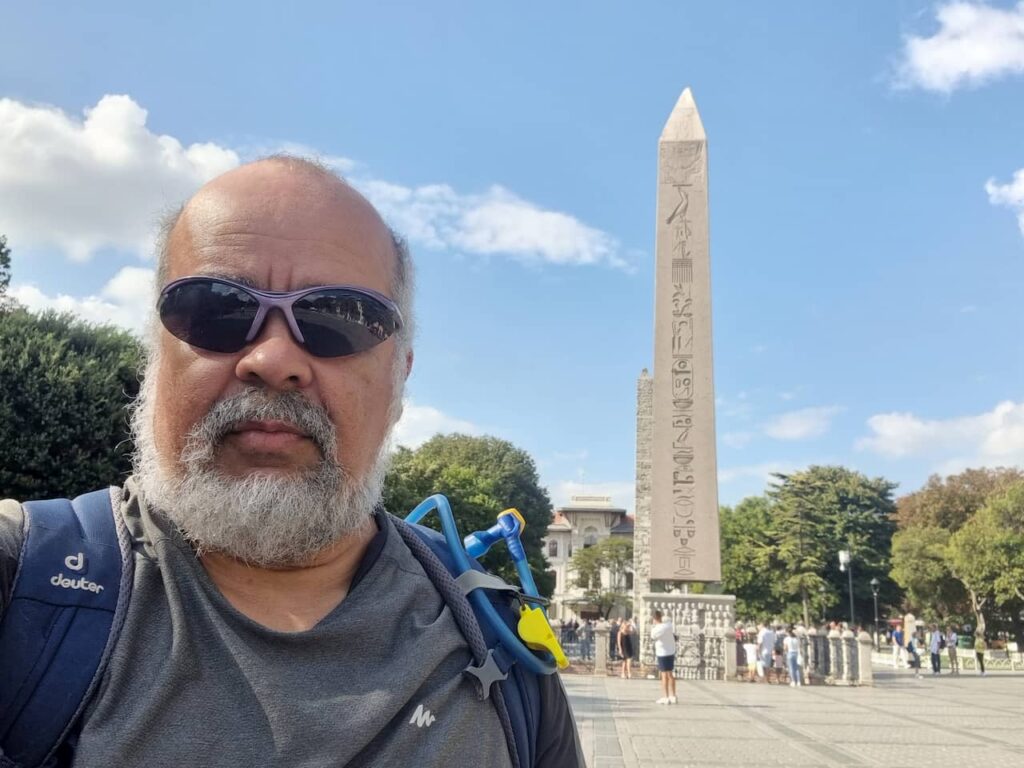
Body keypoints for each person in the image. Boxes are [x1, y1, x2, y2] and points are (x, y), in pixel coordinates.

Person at [0, 157, 583, 767]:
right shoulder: (23, 580)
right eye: (215, 310)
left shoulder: (500, 636)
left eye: (337, 319)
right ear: (157, 355)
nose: (273, 358)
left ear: (398, 380)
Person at [650, 610, 677, 704]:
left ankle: (665, 696)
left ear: (654, 619)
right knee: (670, 674)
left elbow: (653, 636)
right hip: (671, 651)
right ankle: (673, 695)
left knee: (664, 675)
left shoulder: (657, 628)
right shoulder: (668, 625)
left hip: (662, 652)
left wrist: (655, 626)